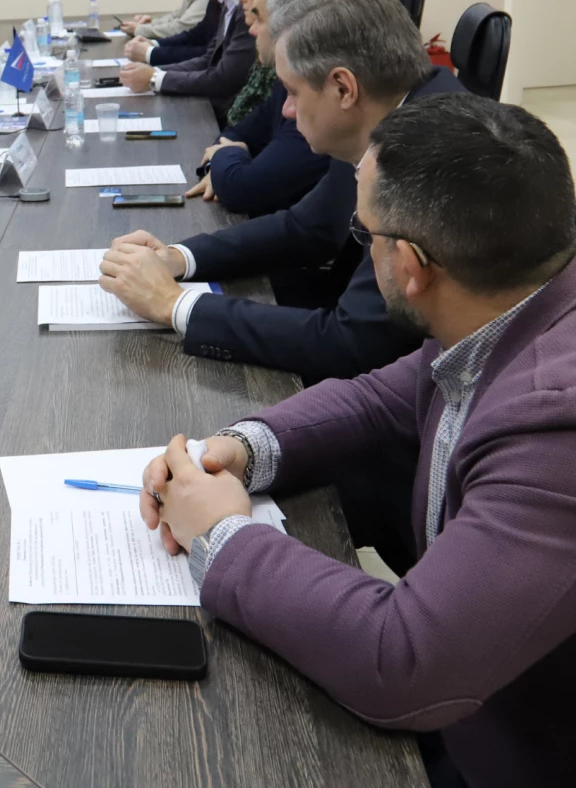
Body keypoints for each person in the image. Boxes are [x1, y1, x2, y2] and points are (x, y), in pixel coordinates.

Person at [140, 94, 576, 788]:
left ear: (410, 264)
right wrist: (241, 448)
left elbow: (405, 660)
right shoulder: (510, 305)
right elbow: (382, 400)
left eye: (363, 230)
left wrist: (222, 534)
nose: (361, 243)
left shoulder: (555, 421)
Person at [99, 0, 465, 384]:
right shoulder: (388, 111)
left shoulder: (424, 157)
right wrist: (178, 258)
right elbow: (309, 227)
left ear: (343, 88)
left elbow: (353, 345)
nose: (287, 111)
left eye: (292, 92)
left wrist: (173, 304)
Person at [185, 0, 342, 217]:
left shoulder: (319, 91)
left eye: (259, 17)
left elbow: (243, 189)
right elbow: (236, 133)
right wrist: (221, 166)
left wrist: (224, 160)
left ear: (291, 22)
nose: (252, 30)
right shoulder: (286, 83)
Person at [120, 0, 259, 125]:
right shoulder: (229, 0)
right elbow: (209, 59)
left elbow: (224, 79)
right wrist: (156, 73)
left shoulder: (251, 6)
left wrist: (155, 78)